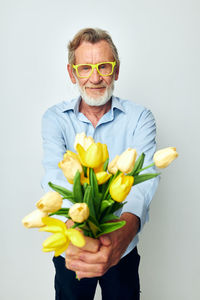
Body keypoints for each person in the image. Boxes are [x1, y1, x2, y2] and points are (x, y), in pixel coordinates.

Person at [41, 28, 159, 300]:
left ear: (116, 71)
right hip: (73, 248)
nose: (95, 77)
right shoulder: (55, 119)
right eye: (85, 68)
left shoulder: (140, 117)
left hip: (122, 246)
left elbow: (146, 178)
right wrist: (76, 231)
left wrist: (122, 235)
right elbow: (54, 177)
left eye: (104, 66)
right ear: (72, 73)